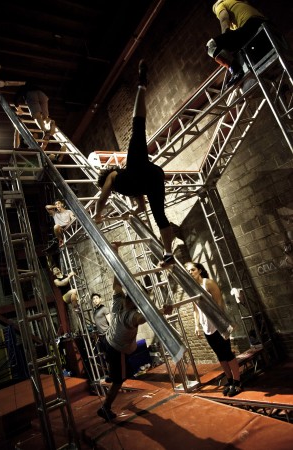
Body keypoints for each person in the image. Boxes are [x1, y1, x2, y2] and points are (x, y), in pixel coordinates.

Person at [94, 60, 175, 269]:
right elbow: (141, 205)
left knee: (160, 217)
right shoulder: (123, 184)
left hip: (148, 175)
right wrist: (132, 213)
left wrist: (97, 214)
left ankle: (168, 254)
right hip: (147, 175)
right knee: (138, 126)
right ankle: (141, 85)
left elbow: (102, 198)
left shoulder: (114, 176)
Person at [97, 241, 172, 421]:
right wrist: (163, 311)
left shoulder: (118, 301)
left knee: (120, 372)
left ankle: (111, 373)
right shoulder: (131, 315)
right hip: (117, 349)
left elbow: (117, 280)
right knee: (119, 379)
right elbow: (143, 318)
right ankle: (105, 408)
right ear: (136, 301)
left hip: (107, 342)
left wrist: (116, 253)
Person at [185, 261, 242, 397]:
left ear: (199, 270)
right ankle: (229, 381)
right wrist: (197, 326)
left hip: (218, 326)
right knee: (220, 355)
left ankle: (238, 382)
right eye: (188, 271)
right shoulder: (192, 288)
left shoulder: (208, 283)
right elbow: (195, 309)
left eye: (192, 270)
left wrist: (223, 326)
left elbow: (219, 304)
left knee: (227, 353)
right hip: (206, 328)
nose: (191, 273)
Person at [207, 1, 268, 88]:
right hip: (264, 26)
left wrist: (225, 40)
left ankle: (236, 70)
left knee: (210, 46)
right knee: (240, 50)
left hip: (251, 25)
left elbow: (224, 18)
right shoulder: (236, 4)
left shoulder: (219, 5)